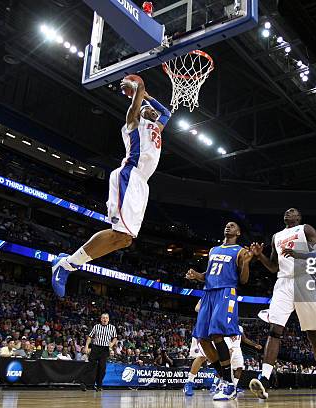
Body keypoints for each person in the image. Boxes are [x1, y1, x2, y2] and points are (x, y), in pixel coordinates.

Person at [51, 77, 171, 297]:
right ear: (139, 112)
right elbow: (137, 100)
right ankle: (66, 266)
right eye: (146, 109)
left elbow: (167, 112)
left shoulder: (156, 128)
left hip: (142, 184)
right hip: (129, 176)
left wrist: (148, 99)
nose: (152, 112)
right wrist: (138, 90)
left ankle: (68, 263)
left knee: (124, 240)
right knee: (119, 232)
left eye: (152, 111)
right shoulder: (132, 124)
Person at [249, 208, 316, 400]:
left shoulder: (306, 229)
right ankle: (265, 378)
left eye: (293, 211)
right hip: (283, 282)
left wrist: (299, 255)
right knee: (274, 329)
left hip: (304, 280)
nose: (288, 212)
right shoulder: (276, 236)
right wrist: (259, 256)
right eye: (286, 211)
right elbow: (273, 267)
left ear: (299, 217)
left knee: (313, 335)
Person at [185, 221, 253, 401]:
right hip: (208, 293)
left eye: (233, 226)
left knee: (216, 334)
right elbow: (207, 276)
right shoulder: (214, 249)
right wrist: (196, 275)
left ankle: (230, 385)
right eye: (227, 225)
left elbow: (244, 280)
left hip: (226, 292)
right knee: (202, 339)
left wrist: (246, 263)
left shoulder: (240, 251)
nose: (228, 227)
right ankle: (224, 378)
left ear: (238, 232)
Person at [85, 313, 118, 391]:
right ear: (101, 319)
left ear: (108, 319)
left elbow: (115, 338)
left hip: (104, 349)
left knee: (102, 368)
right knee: (91, 366)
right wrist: (86, 346)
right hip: (95, 348)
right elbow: (90, 337)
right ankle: (87, 384)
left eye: (106, 318)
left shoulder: (112, 327)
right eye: (103, 318)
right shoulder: (96, 326)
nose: (105, 319)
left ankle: (99, 385)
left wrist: (112, 344)